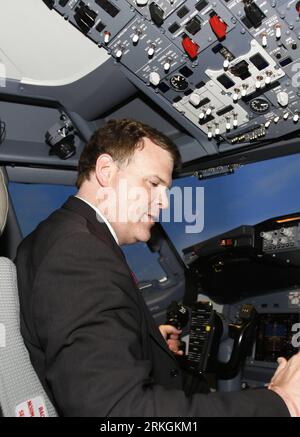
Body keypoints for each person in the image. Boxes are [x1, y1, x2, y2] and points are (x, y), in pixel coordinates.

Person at [16, 119, 300, 417]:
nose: (164, 202)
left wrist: (144, 342)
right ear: (105, 172)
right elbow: (117, 411)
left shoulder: (49, 236)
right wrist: (282, 402)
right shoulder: (79, 253)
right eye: (153, 184)